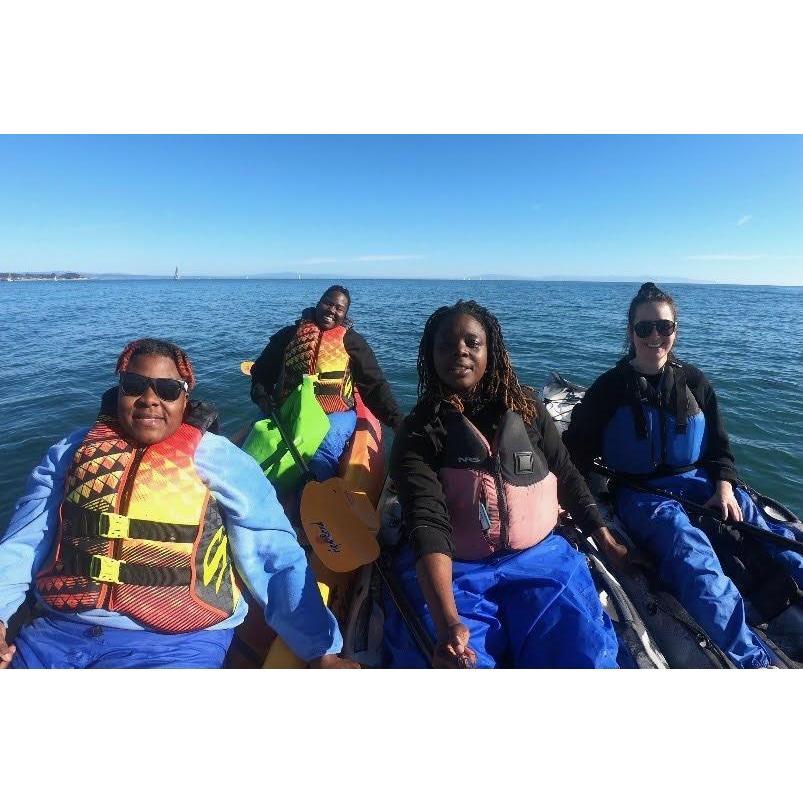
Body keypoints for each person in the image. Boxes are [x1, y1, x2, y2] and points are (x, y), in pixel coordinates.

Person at [0, 338, 358, 669]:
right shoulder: (70, 453)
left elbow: (273, 553)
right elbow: (23, 542)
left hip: (177, 643)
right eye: (134, 386)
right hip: (56, 632)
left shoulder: (220, 460)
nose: (149, 399)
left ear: (185, 400)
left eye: (168, 390)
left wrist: (322, 651)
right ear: (118, 391)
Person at [563, 282, 803, 669]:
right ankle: (753, 663)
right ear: (630, 332)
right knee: (690, 552)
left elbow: (720, 448)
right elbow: (573, 455)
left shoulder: (695, 382)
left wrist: (724, 487)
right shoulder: (608, 390)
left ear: (675, 330)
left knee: (767, 529)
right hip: (642, 494)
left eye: (664, 327)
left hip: (698, 481)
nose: (655, 336)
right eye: (644, 328)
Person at [384, 300, 624, 668]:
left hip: (543, 560)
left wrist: (606, 540)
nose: (460, 351)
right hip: (459, 573)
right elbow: (426, 520)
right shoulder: (418, 433)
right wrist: (448, 622)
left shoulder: (527, 408)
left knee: (584, 655)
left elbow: (566, 474)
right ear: (431, 356)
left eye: (472, 342)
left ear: (490, 351)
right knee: (460, 662)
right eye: (446, 345)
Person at [250, 285, 404, 483]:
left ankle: (311, 492)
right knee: (258, 438)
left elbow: (374, 385)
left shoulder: (353, 342)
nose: (332, 310)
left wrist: (396, 420)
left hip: (334, 413)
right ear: (318, 304)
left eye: (339, 308)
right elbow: (262, 371)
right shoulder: (289, 335)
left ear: (345, 315)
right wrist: (261, 395)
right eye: (328, 303)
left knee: (323, 450)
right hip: (288, 408)